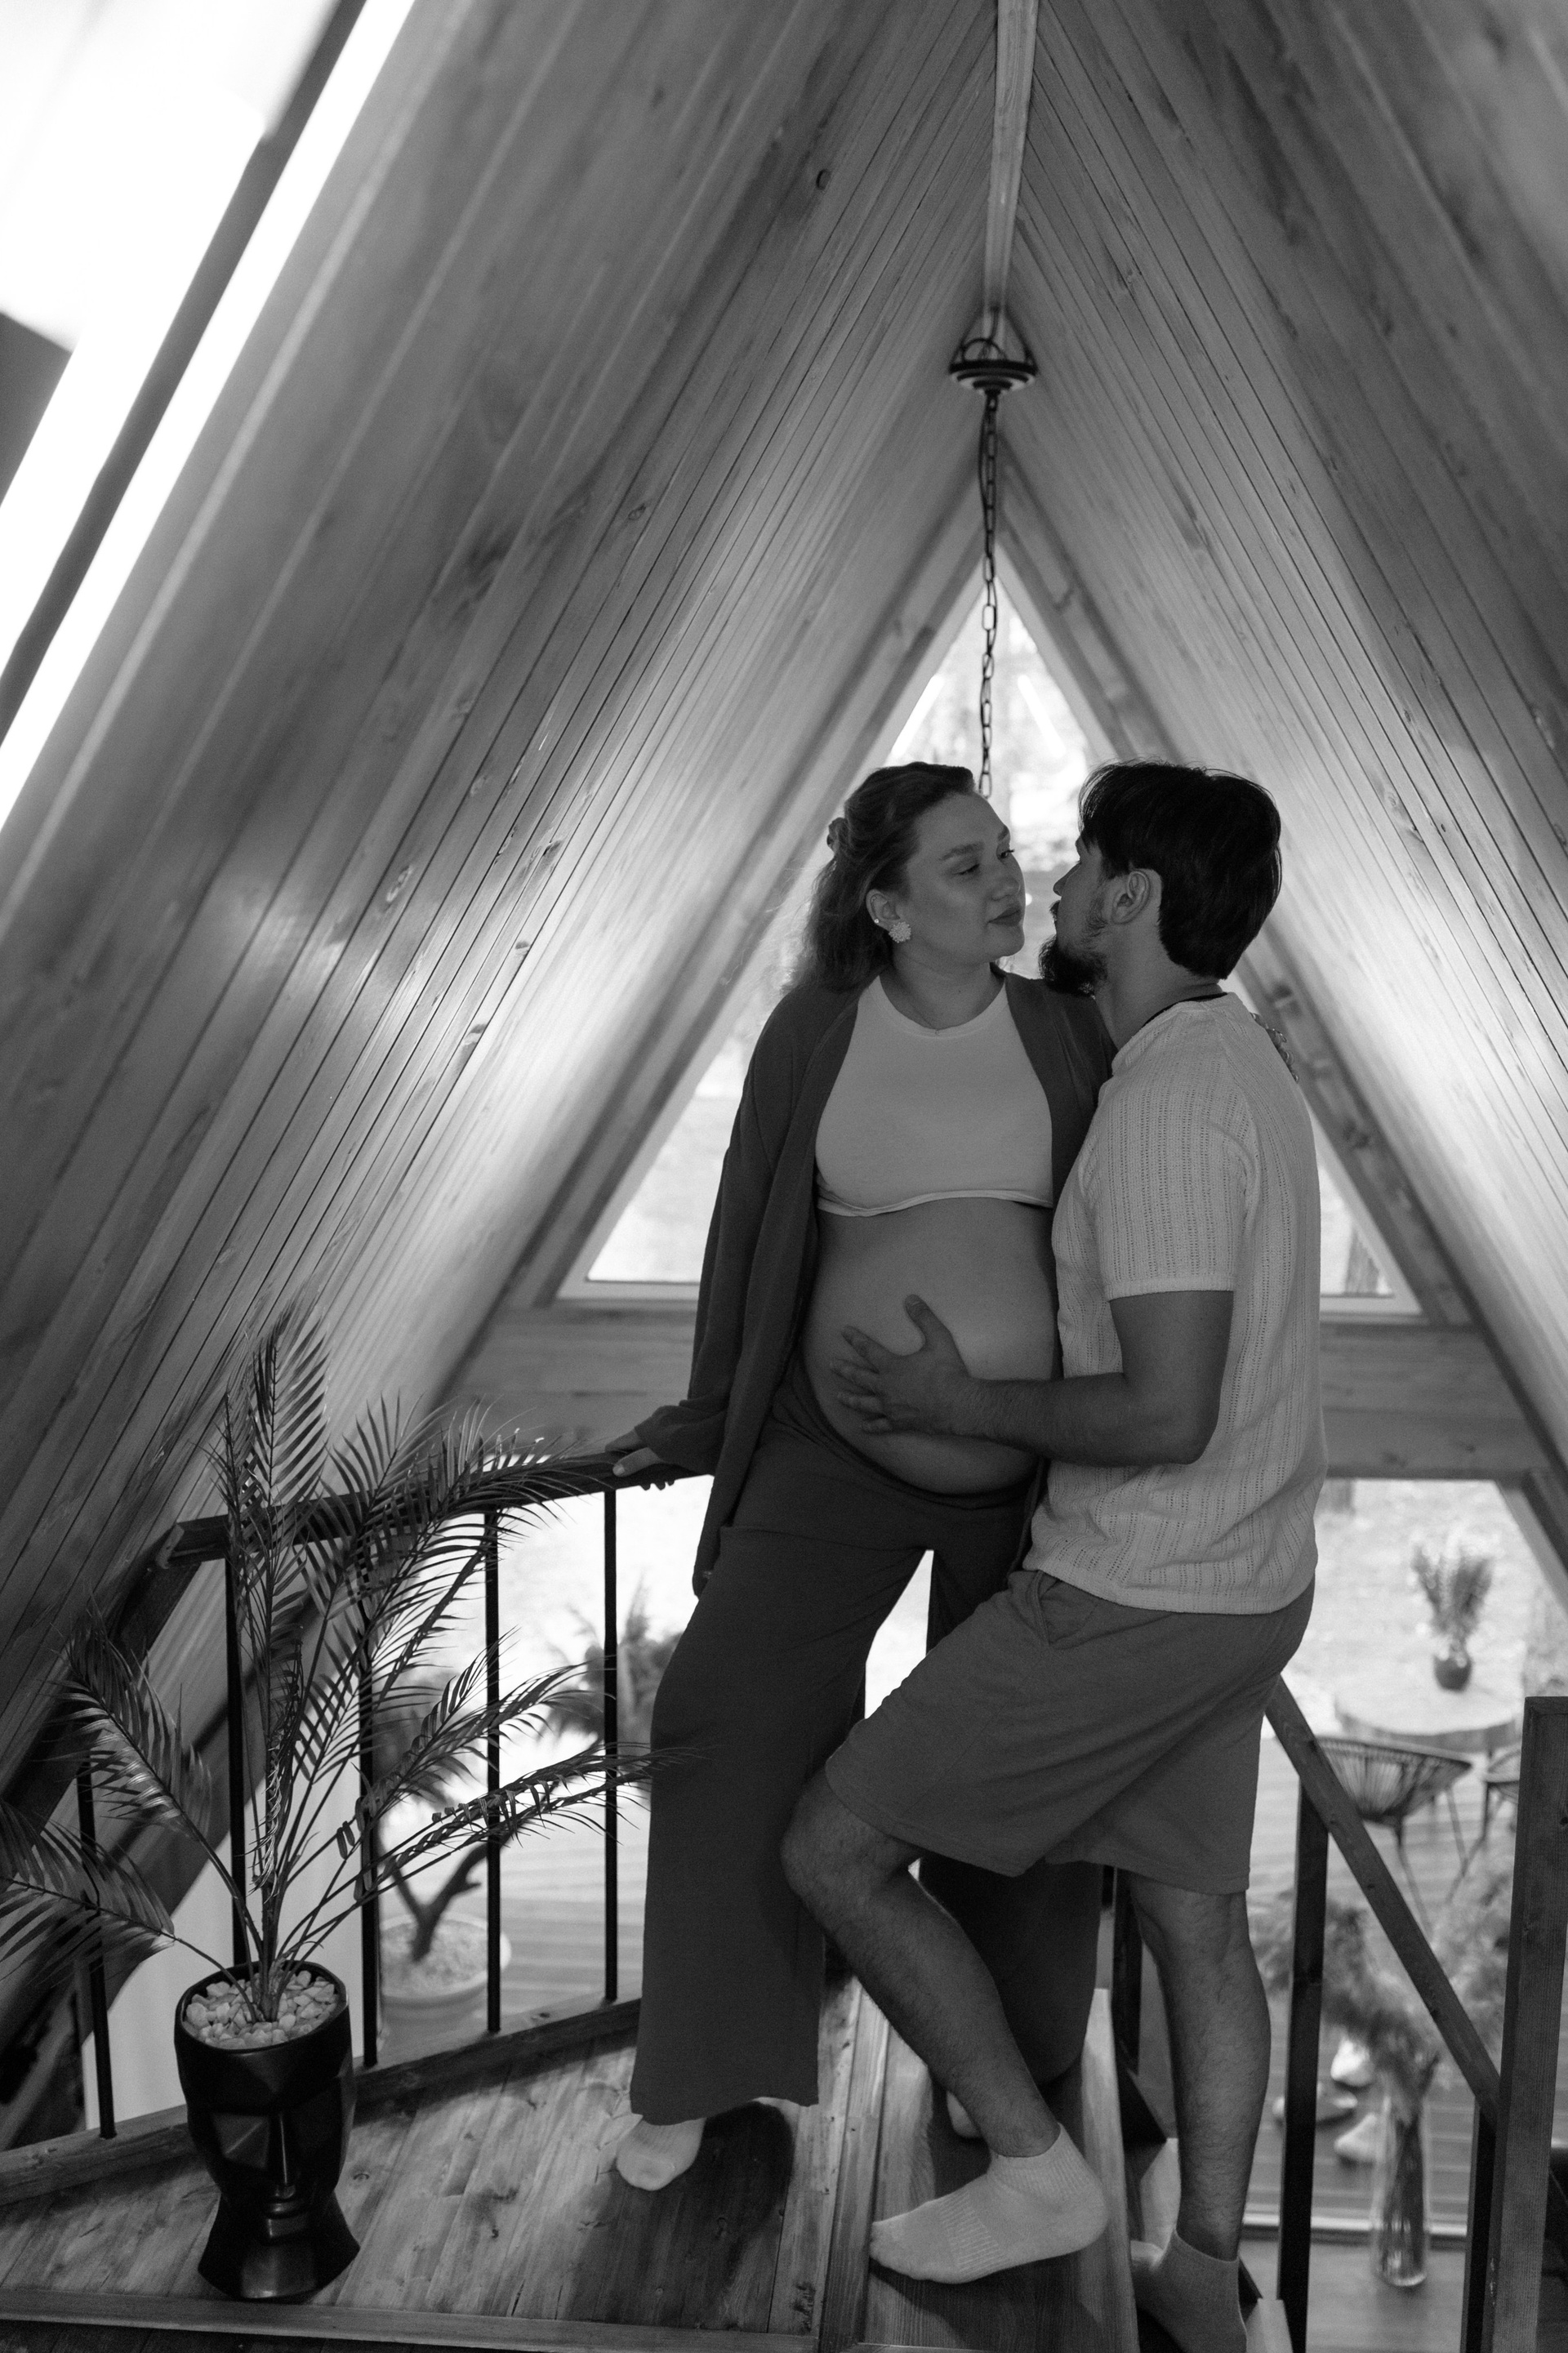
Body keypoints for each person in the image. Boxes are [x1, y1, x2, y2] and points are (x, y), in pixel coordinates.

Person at [782, 760, 1325, 2353]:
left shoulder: (1164, 1108)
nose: (1059, 882)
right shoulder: (1238, 1063)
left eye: (1083, 860)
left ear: (1133, 897)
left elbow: (1165, 1407)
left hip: (1133, 1591)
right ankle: (1204, 2268)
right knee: (1194, 1924)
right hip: (1242, 1587)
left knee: (832, 1849)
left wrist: (961, 1403)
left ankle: (1035, 2169)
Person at [602, 760, 1115, 2192]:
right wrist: (709, 1415)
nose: (1008, 878)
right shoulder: (815, 1030)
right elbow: (747, 1223)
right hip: (832, 1455)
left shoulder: (1066, 1031)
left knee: (1010, 1776)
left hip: (1027, 1482)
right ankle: (705, 2067)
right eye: (966, 864)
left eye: (1005, 852)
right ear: (886, 904)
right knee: (719, 1717)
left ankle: (1001, 2067)